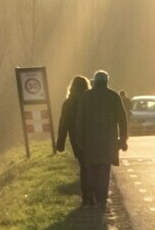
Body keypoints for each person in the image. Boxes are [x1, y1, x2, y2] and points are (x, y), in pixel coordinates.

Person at [52, 69, 129, 209]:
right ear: (106, 81)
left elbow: (78, 121)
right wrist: (122, 140)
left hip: (88, 142)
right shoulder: (114, 97)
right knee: (104, 169)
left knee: (90, 169)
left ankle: (90, 196)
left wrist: (77, 140)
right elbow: (123, 120)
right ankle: (102, 197)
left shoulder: (85, 98)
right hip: (108, 141)